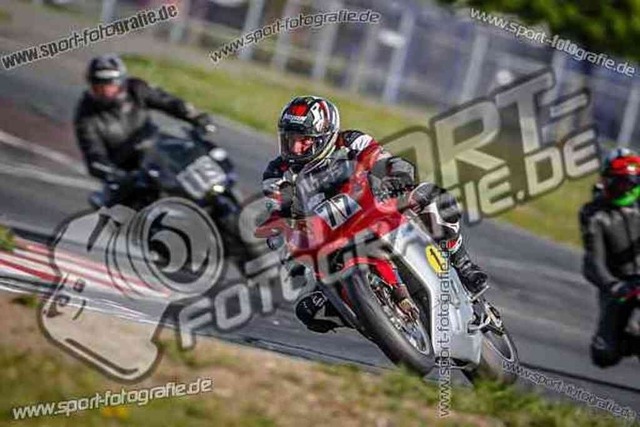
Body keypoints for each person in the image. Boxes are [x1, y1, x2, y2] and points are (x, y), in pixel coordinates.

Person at [261, 95, 489, 333]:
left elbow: (384, 158)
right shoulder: (277, 172)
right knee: (309, 310)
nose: (295, 148)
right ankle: (374, 317)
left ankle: (463, 264)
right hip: (328, 239)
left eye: (304, 141)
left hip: (373, 208)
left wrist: (398, 175)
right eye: (290, 140)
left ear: (324, 136)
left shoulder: (351, 141)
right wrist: (288, 250)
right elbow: (276, 217)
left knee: (434, 197)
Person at [74, 54, 216, 206]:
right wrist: (113, 173)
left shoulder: (136, 89)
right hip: (128, 169)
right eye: (99, 86)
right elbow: (93, 155)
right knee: (122, 204)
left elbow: (167, 101)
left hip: (156, 148)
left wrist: (195, 116)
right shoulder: (86, 115)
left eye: (110, 84)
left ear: (121, 82)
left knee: (196, 154)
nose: (106, 90)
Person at [580, 148, 640, 367]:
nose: (618, 186)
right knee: (604, 355)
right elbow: (593, 259)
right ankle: (629, 341)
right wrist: (611, 285)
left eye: (625, 182)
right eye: (614, 180)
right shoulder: (593, 213)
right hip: (620, 285)